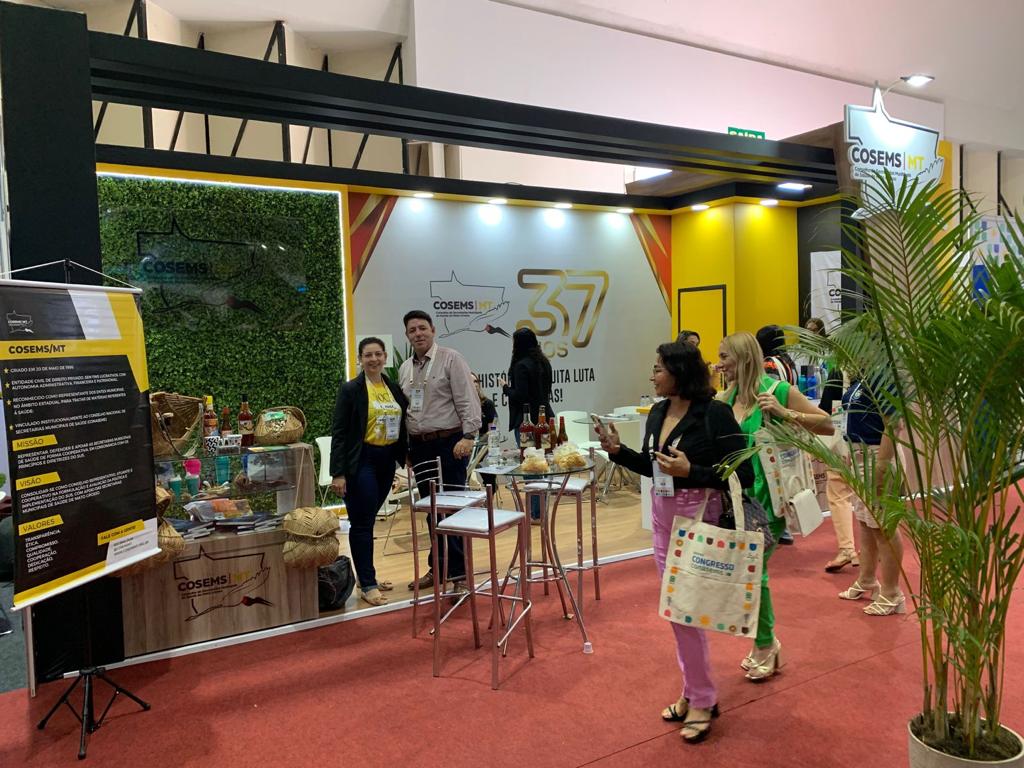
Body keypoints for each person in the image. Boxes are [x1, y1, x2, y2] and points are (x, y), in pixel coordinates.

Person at [598, 341, 753, 744]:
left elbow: (745, 474)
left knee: (685, 612)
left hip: (700, 517)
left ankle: (701, 697)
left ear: (680, 373)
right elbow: (654, 467)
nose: (652, 375)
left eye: (659, 368)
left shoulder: (714, 414)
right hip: (663, 520)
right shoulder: (658, 412)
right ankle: (694, 690)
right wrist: (618, 452)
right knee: (678, 611)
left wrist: (693, 471)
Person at [716, 331, 833, 680]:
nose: (720, 364)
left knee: (753, 568)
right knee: (746, 570)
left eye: (725, 357)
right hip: (737, 497)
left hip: (771, 496)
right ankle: (764, 643)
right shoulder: (726, 398)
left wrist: (785, 413)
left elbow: (826, 424)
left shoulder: (778, 390)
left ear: (744, 358)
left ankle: (766, 644)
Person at [399, 310, 481, 590]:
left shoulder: (451, 359)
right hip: (420, 447)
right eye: (412, 330)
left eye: (422, 328)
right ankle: (439, 568)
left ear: (433, 330)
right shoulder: (405, 369)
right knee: (432, 510)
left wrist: (469, 436)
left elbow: (468, 399)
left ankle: (459, 576)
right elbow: (406, 411)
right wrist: (406, 448)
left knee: (452, 510)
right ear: (407, 335)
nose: (418, 333)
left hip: (450, 444)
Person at [330, 337, 409, 606]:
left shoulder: (393, 388)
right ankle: (368, 584)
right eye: (368, 355)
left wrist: (405, 456)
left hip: (386, 460)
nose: (373, 359)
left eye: (378, 354)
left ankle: (366, 576)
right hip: (361, 460)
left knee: (368, 518)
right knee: (362, 522)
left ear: (385, 357)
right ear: (360, 359)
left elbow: (403, 424)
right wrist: (338, 473)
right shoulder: (350, 390)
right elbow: (339, 433)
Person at [836, 378, 906, 615]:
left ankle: (892, 592)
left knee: (884, 526)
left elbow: (893, 424)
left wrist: (882, 466)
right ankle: (867, 579)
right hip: (859, 455)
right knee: (866, 522)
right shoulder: (860, 378)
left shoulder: (881, 376)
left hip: (877, 455)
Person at [806, 317, 858, 572]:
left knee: (838, 492)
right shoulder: (878, 374)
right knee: (872, 498)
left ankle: (848, 548)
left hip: (845, 438)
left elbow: (829, 406)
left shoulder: (838, 369)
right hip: (874, 442)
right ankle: (873, 548)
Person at [501, 327, 553, 444]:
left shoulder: (521, 366)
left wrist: (505, 388)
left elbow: (521, 395)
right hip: (545, 417)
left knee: (527, 454)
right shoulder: (544, 362)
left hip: (526, 421)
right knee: (545, 452)